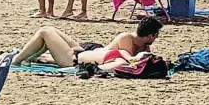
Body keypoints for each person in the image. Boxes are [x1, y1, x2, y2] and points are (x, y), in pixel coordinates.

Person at [11, 17, 163, 69]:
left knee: (46, 32)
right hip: (86, 53)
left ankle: (20, 59)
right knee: (47, 31)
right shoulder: (126, 39)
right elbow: (124, 59)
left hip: (80, 58)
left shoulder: (144, 46)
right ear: (151, 35)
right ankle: (18, 59)